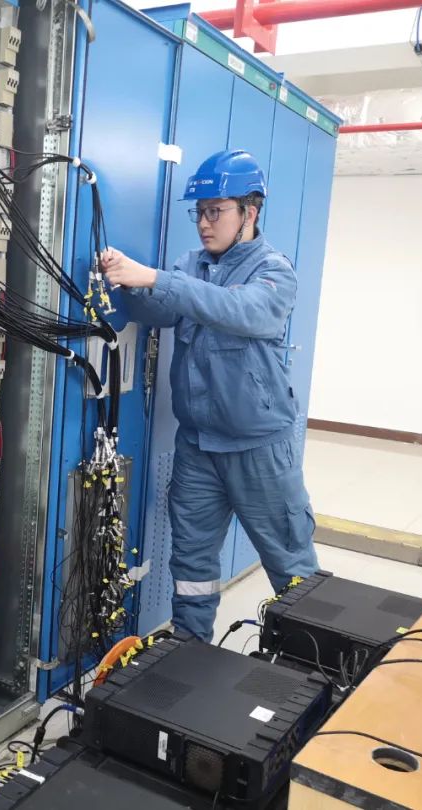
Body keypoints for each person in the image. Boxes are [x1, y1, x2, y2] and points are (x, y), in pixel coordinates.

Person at [99, 148, 318, 643]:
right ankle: (187, 650)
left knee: (290, 561)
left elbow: (242, 311)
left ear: (249, 212)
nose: (203, 223)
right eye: (199, 212)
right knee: (192, 563)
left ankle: (313, 657)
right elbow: (160, 312)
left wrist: (156, 278)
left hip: (259, 447)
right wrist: (127, 283)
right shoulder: (190, 265)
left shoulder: (273, 270)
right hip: (198, 446)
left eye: (215, 211)